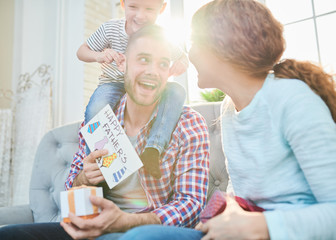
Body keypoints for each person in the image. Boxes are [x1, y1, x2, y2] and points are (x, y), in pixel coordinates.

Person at [118, 0, 336, 239]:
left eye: (194, 43)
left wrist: (261, 226)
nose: (188, 54)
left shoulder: (293, 99)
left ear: (223, 47)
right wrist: (227, 211)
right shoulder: (229, 108)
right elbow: (240, 189)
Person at [0, 25, 209, 240]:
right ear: (122, 64)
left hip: (145, 232)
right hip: (91, 228)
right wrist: (84, 178)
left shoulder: (188, 123)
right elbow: (72, 186)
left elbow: (190, 203)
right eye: (143, 60)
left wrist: (125, 222)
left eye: (162, 64)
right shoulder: (99, 119)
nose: (153, 71)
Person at [78, 0, 189, 178]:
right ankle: (104, 165)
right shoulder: (110, 29)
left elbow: (183, 58)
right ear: (122, 4)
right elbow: (82, 51)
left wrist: (180, 65)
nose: (140, 15)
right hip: (113, 83)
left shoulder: (163, 37)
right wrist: (99, 55)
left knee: (177, 91)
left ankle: (153, 149)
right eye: (133, 7)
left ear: (162, 9)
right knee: (96, 107)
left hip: (148, 85)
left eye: (149, 9)